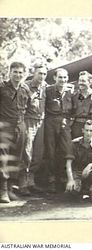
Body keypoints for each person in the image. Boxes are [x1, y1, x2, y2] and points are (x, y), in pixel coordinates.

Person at [0, 61, 30, 203]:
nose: (18, 75)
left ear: (24, 74)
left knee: (17, 157)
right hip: (4, 126)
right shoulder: (2, 88)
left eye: (20, 72)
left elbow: (28, 107)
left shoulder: (24, 89)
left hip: (20, 126)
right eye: (15, 72)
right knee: (3, 159)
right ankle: (3, 190)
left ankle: (11, 188)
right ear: (10, 72)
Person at [44, 68, 74, 193]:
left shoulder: (70, 91)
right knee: (50, 151)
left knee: (67, 150)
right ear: (54, 78)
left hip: (65, 122)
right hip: (51, 121)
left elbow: (73, 108)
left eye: (65, 77)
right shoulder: (48, 90)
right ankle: (51, 180)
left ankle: (63, 178)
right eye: (60, 77)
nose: (63, 80)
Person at [20, 63, 48, 195]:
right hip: (28, 120)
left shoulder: (45, 86)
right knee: (26, 152)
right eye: (39, 73)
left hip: (41, 122)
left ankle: (31, 181)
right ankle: (22, 183)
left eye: (44, 74)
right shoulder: (25, 86)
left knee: (38, 152)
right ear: (34, 73)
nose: (42, 76)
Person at [65, 120, 92, 203]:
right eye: (87, 130)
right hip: (77, 172)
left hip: (90, 171)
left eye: (91, 131)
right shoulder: (74, 143)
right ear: (83, 131)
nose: (88, 133)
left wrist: (90, 165)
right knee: (72, 191)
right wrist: (70, 179)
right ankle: (81, 190)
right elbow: (68, 163)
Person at [71, 71, 92, 139]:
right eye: (80, 81)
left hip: (90, 126)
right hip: (77, 125)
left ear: (90, 82)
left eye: (83, 81)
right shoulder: (74, 95)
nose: (81, 83)